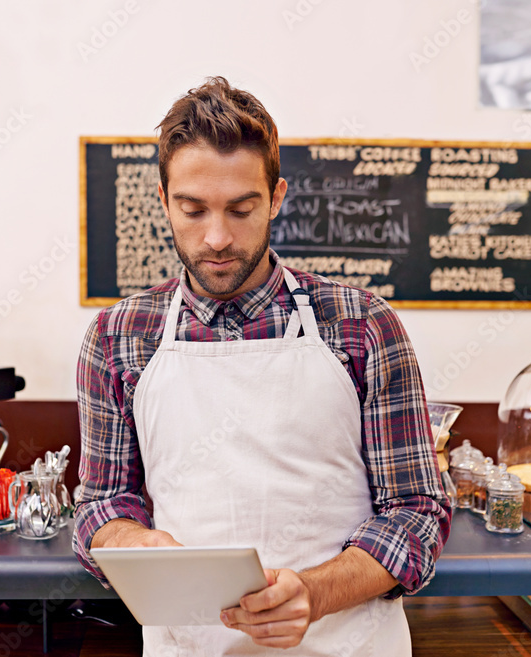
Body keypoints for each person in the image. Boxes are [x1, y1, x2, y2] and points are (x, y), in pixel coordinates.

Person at [73, 76, 451, 656]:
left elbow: (418, 511)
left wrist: (316, 594)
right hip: (190, 646)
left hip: (347, 643)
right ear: (162, 201)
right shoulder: (119, 336)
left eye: (242, 209)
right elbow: (100, 501)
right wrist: (126, 539)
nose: (217, 237)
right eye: (193, 209)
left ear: (275, 198)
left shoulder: (363, 324)